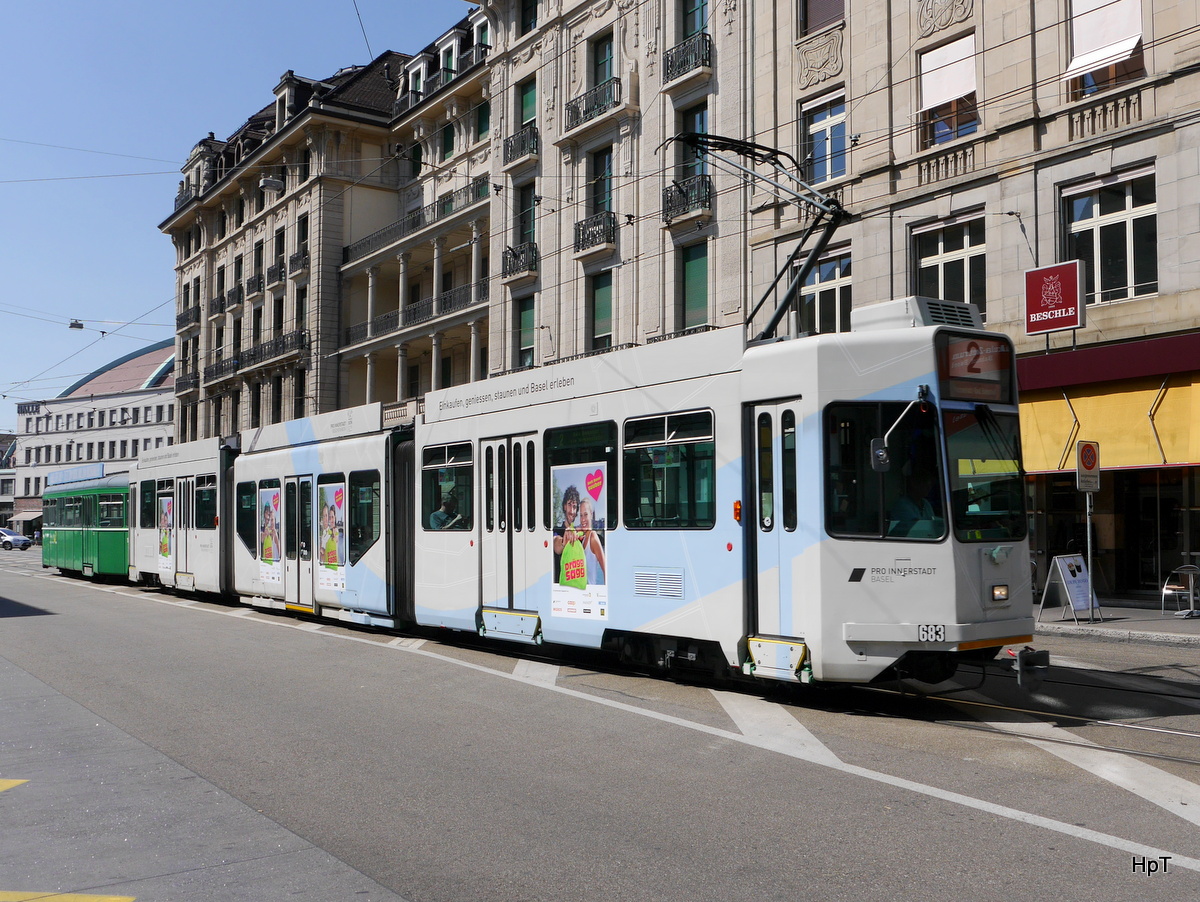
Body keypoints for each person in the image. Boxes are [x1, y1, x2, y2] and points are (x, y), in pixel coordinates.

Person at [890, 467, 936, 535]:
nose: (929, 488)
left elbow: (934, 523)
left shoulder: (926, 503)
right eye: (925, 484)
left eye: (930, 485)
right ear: (914, 484)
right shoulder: (902, 505)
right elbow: (917, 526)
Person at [578, 498, 606, 585]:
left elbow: (605, 570)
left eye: (585, 514)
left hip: (591, 595)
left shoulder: (593, 537)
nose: (583, 519)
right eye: (581, 515)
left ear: (591, 515)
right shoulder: (583, 540)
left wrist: (604, 594)